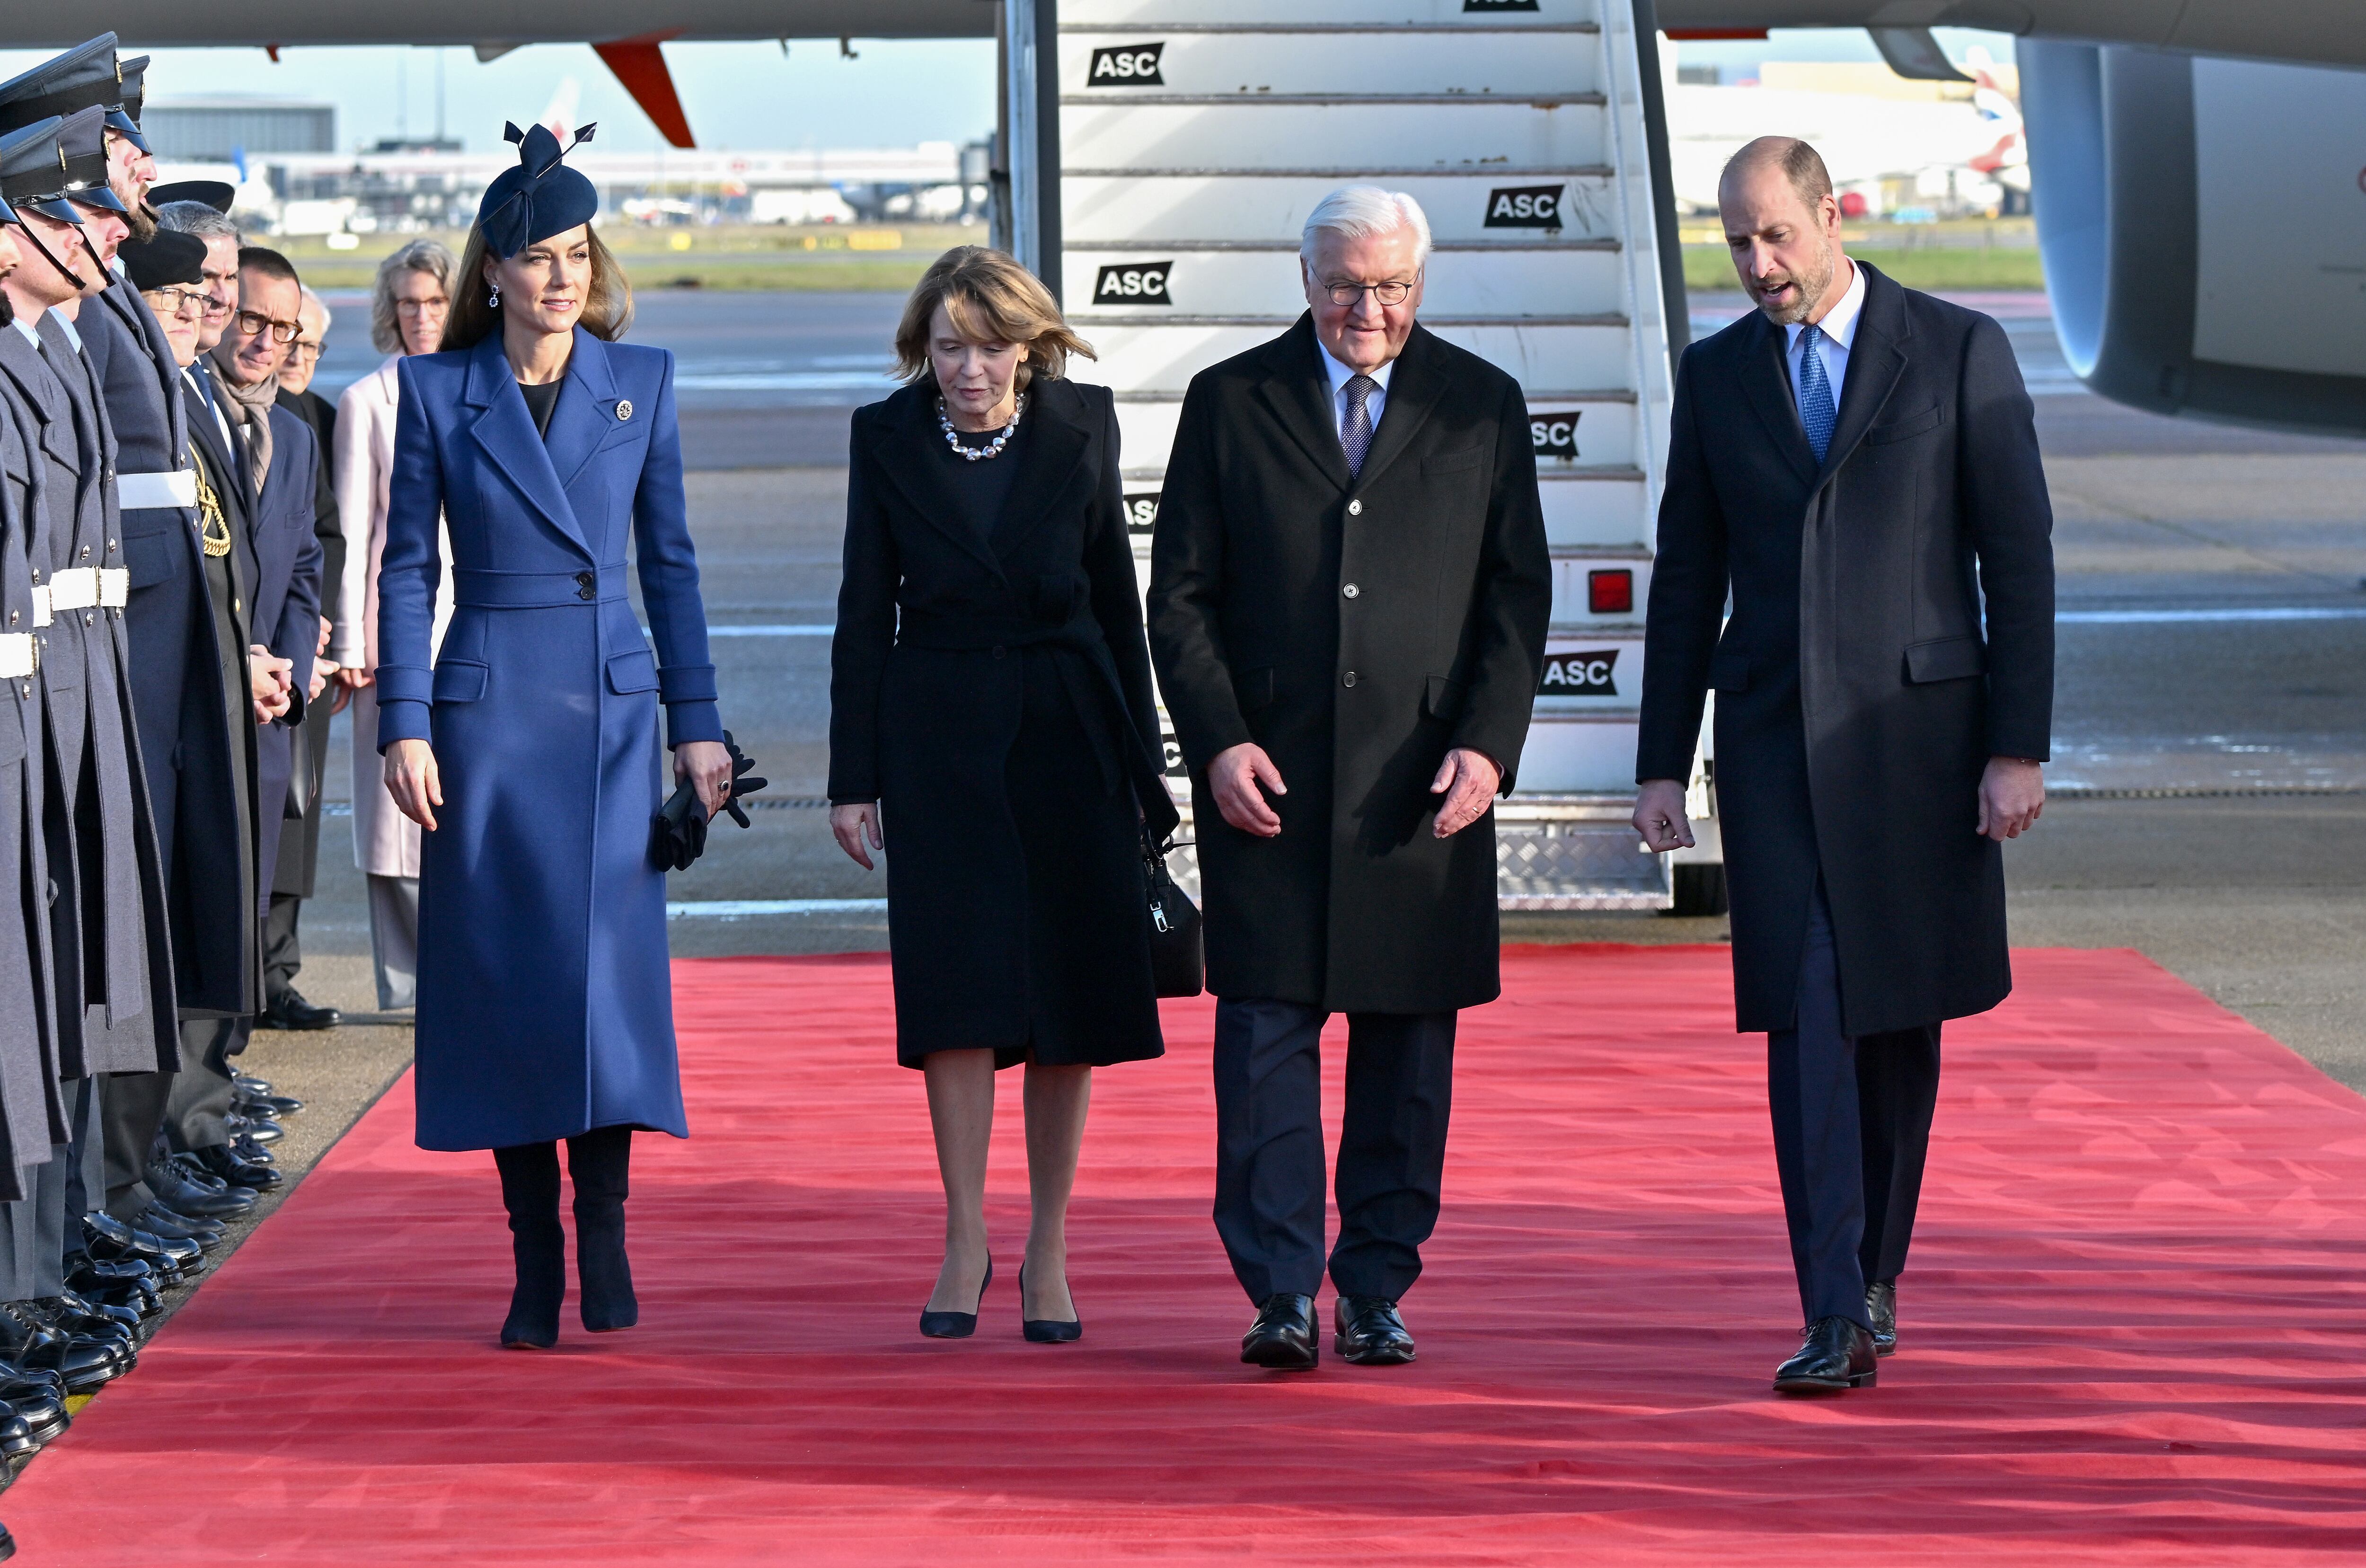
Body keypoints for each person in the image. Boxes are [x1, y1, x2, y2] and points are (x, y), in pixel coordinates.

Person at [1632, 137, 2054, 1395]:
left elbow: (2017, 562)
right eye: (1736, 243)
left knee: (1894, 1023)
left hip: (1921, 752)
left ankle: (1875, 1271)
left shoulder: (1959, 348)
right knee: (1806, 1015)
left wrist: (2016, 748)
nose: (1757, 265)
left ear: (1831, 216)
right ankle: (1828, 1307)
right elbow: (1688, 579)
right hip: (1773, 751)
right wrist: (1664, 763)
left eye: (1774, 236)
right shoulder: (1716, 380)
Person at [1146, 186, 1551, 1371]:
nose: (1365, 309)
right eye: (1343, 284)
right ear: (1304, 273)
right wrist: (1216, 739)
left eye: (1390, 287)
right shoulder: (1232, 402)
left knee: (1405, 1062)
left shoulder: (1482, 404)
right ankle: (1279, 1293)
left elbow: (1515, 599)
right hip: (1267, 787)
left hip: (1420, 793)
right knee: (1263, 1050)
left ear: (1420, 284)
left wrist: (1487, 741)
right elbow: (1179, 596)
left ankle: (1374, 1289)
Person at [376, 121, 729, 1350]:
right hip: (489, 723)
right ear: (495, 272)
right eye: (536, 255)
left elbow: (672, 568)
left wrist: (702, 728)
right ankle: (533, 1253)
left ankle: (609, 1227)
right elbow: (409, 568)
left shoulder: (646, 380)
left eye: (577, 252)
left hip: (617, 720)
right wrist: (405, 724)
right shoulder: (436, 390)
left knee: (606, 988)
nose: (561, 276)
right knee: (509, 987)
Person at [829, 247, 1174, 1344]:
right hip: (936, 737)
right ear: (919, 349)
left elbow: (1119, 600)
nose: (967, 371)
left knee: (1068, 998)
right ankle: (965, 1235)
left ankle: (1051, 1250)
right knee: (956, 993)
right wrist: (854, 777)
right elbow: (859, 612)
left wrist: (1144, 768)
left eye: (988, 348)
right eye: (947, 349)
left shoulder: (1085, 423)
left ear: (1028, 346)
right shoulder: (884, 436)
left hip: (1069, 730)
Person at [158, 244, 320, 1179]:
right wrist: (240, 662)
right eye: (248, 318)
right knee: (195, 912)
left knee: (241, 911)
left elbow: (301, 568)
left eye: (282, 329)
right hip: (204, 697)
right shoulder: (181, 408)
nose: (261, 339)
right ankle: (185, 1127)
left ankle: (215, 1095)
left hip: (263, 707)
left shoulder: (289, 433)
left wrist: (287, 669)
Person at [331, 238, 456, 1013]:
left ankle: (467, 971)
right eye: (408, 302)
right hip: (390, 637)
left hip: (472, 631)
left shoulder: (488, 385)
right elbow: (349, 533)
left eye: (436, 301)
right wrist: (350, 642)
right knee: (392, 824)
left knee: (466, 808)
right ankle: (407, 988)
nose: (420, 316)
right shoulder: (366, 402)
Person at [261, 284, 342, 1033]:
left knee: (296, 818)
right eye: (291, 340)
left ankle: (277, 971)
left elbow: (332, 537)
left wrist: (318, 627)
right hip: (257, 652)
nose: (297, 356)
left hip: (303, 654)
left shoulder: (319, 421)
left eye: (311, 346)